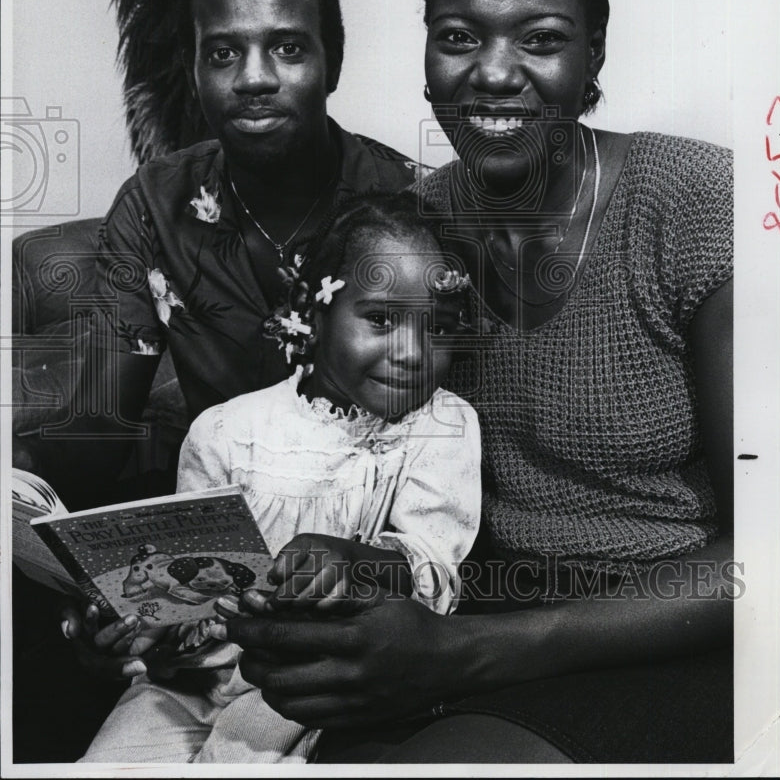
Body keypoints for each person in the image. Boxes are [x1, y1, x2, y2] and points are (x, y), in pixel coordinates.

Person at [221, 0, 735, 764]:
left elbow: (777, 556)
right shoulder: (411, 234)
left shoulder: (698, 203)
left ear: (594, 51)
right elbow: (356, 475)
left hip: (671, 639)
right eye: (458, 36)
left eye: (541, 39)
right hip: (464, 619)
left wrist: (466, 655)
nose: (493, 74)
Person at [68, 191, 481, 763]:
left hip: (304, 676)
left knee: (236, 764)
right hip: (182, 682)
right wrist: (133, 625)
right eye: (381, 319)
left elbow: (435, 570)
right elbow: (183, 588)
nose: (412, 353)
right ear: (313, 311)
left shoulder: (443, 424)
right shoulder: (226, 430)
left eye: (438, 326)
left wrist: (352, 560)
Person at [18, 0, 423, 509]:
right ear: (193, 72)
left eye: (287, 48)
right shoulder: (153, 207)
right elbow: (99, 432)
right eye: (223, 53)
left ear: (331, 65)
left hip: (370, 542)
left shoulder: (412, 204)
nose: (254, 78)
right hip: (217, 528)